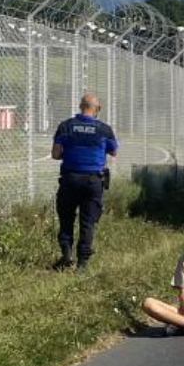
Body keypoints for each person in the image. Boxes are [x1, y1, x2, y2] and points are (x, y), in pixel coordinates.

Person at [51, 93, 118, 270]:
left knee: (66, 218)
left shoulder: (65, 126)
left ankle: (66, 255)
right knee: (87, 222)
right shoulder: (104, 129)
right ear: (97, 109)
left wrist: (71, 153)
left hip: (70, 179)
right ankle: (82, 263)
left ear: (81, 106)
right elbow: (113, 152)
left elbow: (55, 154)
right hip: (93, 181)